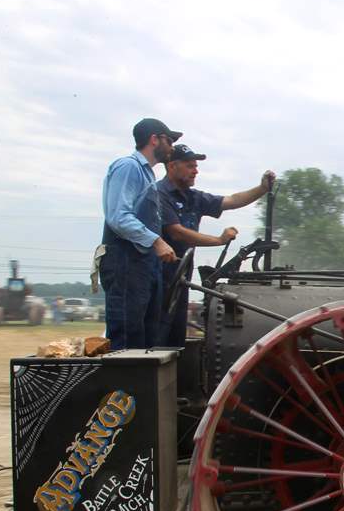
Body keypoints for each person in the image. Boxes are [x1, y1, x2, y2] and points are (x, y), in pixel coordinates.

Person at [150, 143, 275, 346]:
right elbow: (177, 232)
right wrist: (219, 240)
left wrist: (262, 188)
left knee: (176, 337)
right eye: (190, 166)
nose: (196, 170)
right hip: (158, 277)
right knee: (158, 337)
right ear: (172, 166)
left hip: (180, 277)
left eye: (196, 166)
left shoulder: (193, 197)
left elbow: (232, 200)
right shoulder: (159, 194)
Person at [98, 118, 181, 350]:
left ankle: (140, 386)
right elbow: (118, 217)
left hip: (143, 265)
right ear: (154, 139)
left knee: (145, 338)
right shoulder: (128, 167)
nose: (172, 146)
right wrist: (156, 241)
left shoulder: (148, 176)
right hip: (125, 263)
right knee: (127, 336)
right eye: (169, 140)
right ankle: (121, 386)